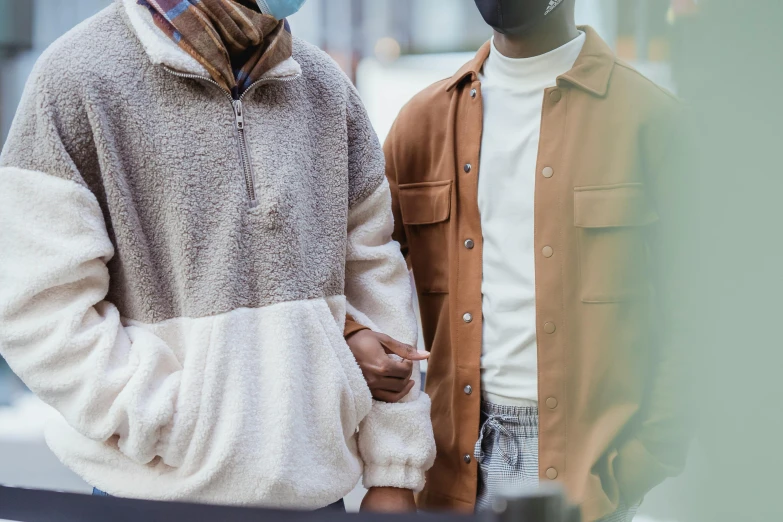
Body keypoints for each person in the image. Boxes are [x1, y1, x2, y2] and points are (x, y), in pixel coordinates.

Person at [0, 0, 435, 512]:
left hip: (316, 498)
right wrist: (167, 420)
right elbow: (38, 306)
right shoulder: (78, 76)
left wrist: (394, 469)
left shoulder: (325, 87)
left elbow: (373, 274)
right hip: (153, 497)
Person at [351, 0, 691, 520]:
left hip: (587, 476)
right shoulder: (422, 124)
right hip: (448, 470)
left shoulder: (651, 120)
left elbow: (700, 315)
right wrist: (357, 335)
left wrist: (640, 462)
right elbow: (359, 269)